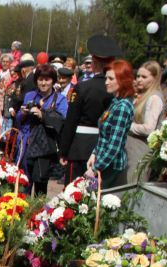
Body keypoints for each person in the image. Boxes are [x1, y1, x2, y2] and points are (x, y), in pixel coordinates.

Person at [59, 35, 120, 185]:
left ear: (94, 62)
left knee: (73, 192)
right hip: (102, 148)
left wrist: (64, 150)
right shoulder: (116, 89)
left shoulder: (83, 87)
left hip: (79, 146)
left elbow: (71, 120)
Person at [16, 64, 69, 196]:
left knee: (40, 185)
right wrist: (23, 113)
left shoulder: (60, 99)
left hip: (43, 147)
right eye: (40, 79)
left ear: (53, 81)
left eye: (47, 80)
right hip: (26, 144)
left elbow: (62, 121)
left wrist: (43, 115)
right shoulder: (30, 95)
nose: (43, 83)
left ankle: (37, 214)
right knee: (23, 183)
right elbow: (18, 119)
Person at [86, 60, 135, 189]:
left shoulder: (122, 107)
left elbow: (114, 146)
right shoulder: (115, 102)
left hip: (111, 167)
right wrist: (94, 153)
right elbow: (104, 135)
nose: (106, 82)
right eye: (106, 78)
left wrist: (95, 168)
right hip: (104, 162)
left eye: (111, 78)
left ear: (123, 80)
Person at [126, 61, 164, 183]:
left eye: (144, 77)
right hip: (131, 148)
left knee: (133, 183)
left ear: (154, 78)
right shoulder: (142, 95)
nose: (139, 80)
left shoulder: (154, 98)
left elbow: (149, 128)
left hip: (141, 150)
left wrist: (127, 125)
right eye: (138, 76)